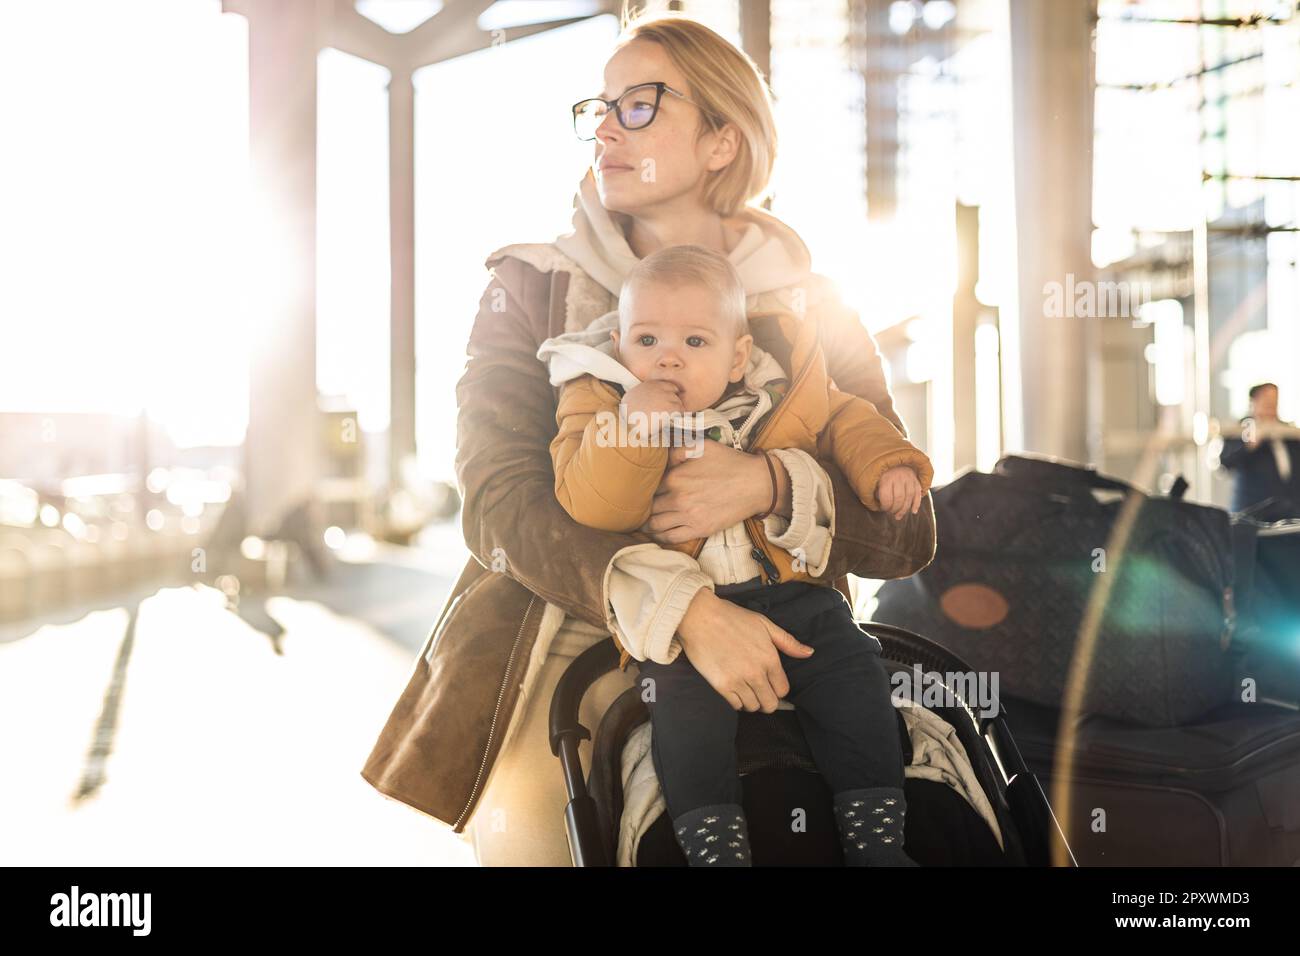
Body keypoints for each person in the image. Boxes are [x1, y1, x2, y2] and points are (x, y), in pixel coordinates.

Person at [359, 10, 937, 867]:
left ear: (720, 143)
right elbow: (496, 504)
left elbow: (908, 530)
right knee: (535, 838)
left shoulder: (815, 302)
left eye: (639, 106)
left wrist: (771, 484)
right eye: (599, 106)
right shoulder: (530, 285)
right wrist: (686, 612)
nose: (604, 128)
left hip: (787, 628)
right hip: (561, 629)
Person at [536, 244, 933, 865]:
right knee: (682, 720)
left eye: (695, 342)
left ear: (737, 355)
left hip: (799, 596)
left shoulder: (785, 384)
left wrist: (889, 466)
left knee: (857, 678)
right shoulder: (602, 402)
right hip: (685, 617)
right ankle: (716, 849)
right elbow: (592, 506)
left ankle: (877, 840)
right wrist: (632, 430)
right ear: (619, 345)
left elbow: (849, 420)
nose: (667, 356)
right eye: (646, 341)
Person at [1219, 382, 1300, 515]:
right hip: (1251, 511)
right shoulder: (1240, 429)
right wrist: (1249, 445)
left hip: (1289, 512)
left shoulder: (1287, 431)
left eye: (1274, 401)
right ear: (1254, 402)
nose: (1271, 407)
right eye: (1267, 401)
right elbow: (1226, 462)